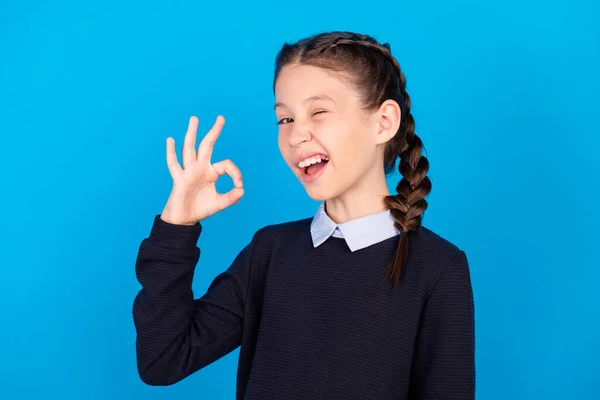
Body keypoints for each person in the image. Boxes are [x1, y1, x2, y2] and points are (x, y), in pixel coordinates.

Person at [132, 31, 475, 399]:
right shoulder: (270, 251)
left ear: (383, 122)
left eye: (319, 112)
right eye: (285, 120)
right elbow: (163, 360)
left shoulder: (438, 269)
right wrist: (176, 228)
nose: (296, 136)